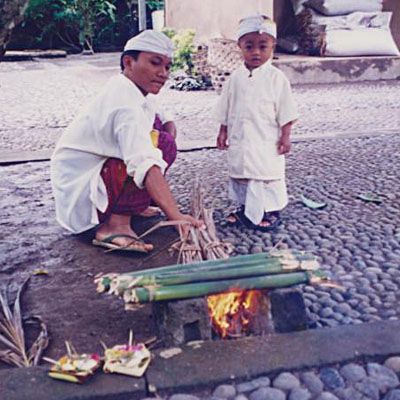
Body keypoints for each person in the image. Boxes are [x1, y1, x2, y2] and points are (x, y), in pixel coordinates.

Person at [51, 30, 202, 253]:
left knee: (163, 139)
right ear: (128, 62)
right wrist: (176, 217)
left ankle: (131, 207)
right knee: (152, 148)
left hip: (95, 175)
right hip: (81, 192)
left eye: (168, 67)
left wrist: (166, 132)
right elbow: (145, 163)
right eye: (155, 63)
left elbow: (161, 115)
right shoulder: (124, 103)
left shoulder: (129, 88)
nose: (163, 73)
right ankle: (113, 226)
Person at [215, 15, 299, 231]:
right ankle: (245, 209)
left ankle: (270, 211)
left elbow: (286, 109)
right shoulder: (235, 78)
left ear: (272, 46)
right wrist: (222, 131)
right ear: (239, 47)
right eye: (249, 46)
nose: (256, 52)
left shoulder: (276, 78)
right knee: (243, 173)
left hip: (266, 139)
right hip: (241, 138)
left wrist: (286, 135)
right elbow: (226, 106)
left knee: (265, 174)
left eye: (262, 46)